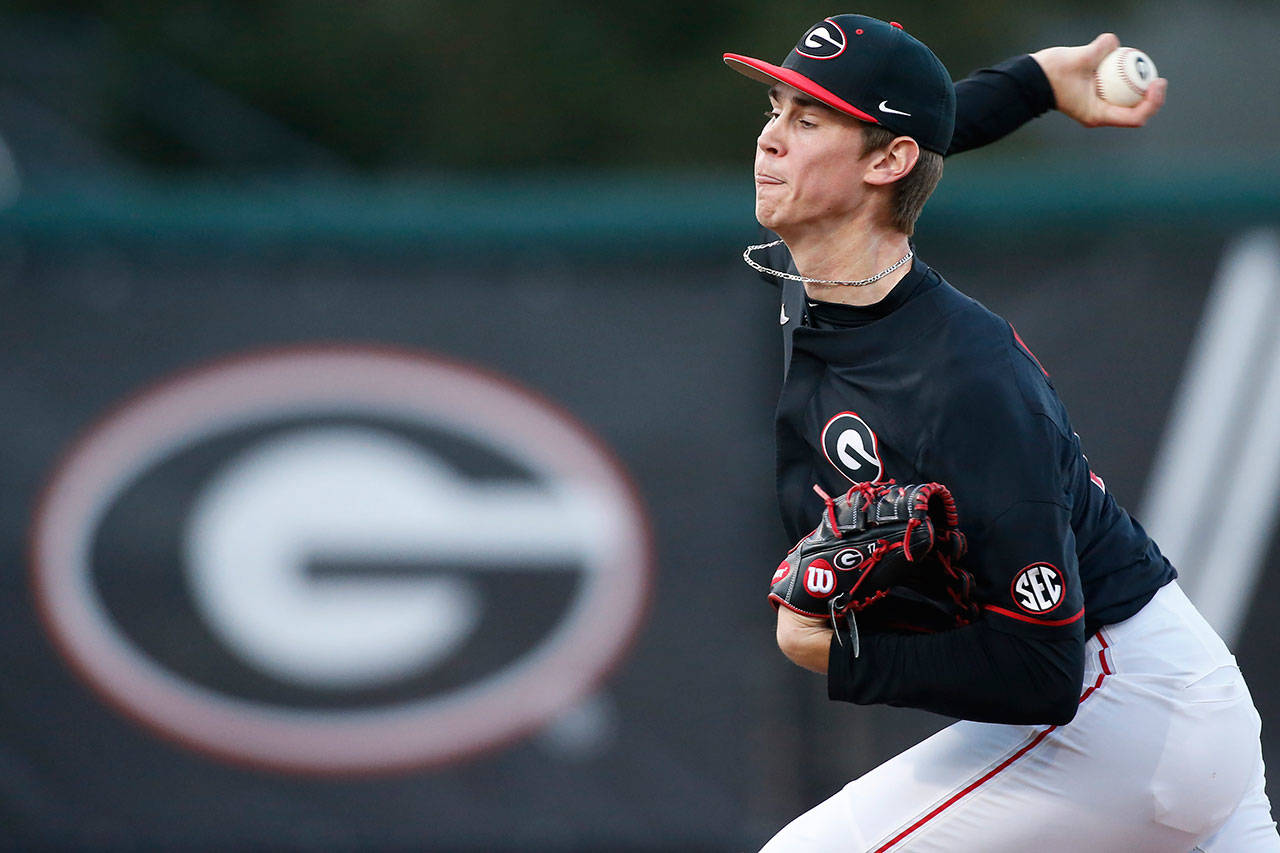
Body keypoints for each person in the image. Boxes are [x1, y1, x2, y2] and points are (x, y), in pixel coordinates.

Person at [723, 14, 1279, 852]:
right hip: (1175, 698)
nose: (770, 140)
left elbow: (1041, 672)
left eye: (807, 121)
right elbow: (918, 132)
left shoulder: (967, 384)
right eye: (776, 107)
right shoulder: (848, 258)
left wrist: (839, 654)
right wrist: (1034, 84)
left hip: (1118, 702)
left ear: (885, 163)